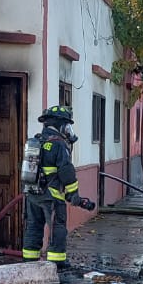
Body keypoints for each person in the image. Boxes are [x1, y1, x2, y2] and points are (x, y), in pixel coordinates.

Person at [22, 106, 96, 269]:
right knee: (57, 228)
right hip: (52, 197)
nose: (68, 129)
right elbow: (66, 171)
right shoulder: (58, 144)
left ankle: (29, 262)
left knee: (33, 226)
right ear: (60, 125)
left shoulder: (36, 141)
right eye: (67, 125)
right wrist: (73, 194)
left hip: (32, 194)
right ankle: (57, 262)